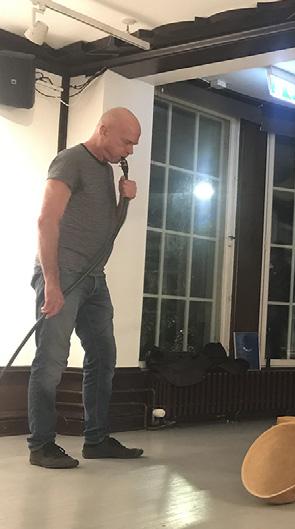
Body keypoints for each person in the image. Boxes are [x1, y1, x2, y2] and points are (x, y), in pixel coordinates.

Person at [28, 107, 144, 469]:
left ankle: (96, 440)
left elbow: (108, 231)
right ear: (104, 130)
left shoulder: (107, 171)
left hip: (94, 278)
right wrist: (52, 282)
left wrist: (124, 200)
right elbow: (47, 220)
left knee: (103, 355)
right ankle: (41, 445)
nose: (129, 150)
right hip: (63, 275)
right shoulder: (70, 161)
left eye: (133, 145)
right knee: (51, 360)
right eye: (127, 142)